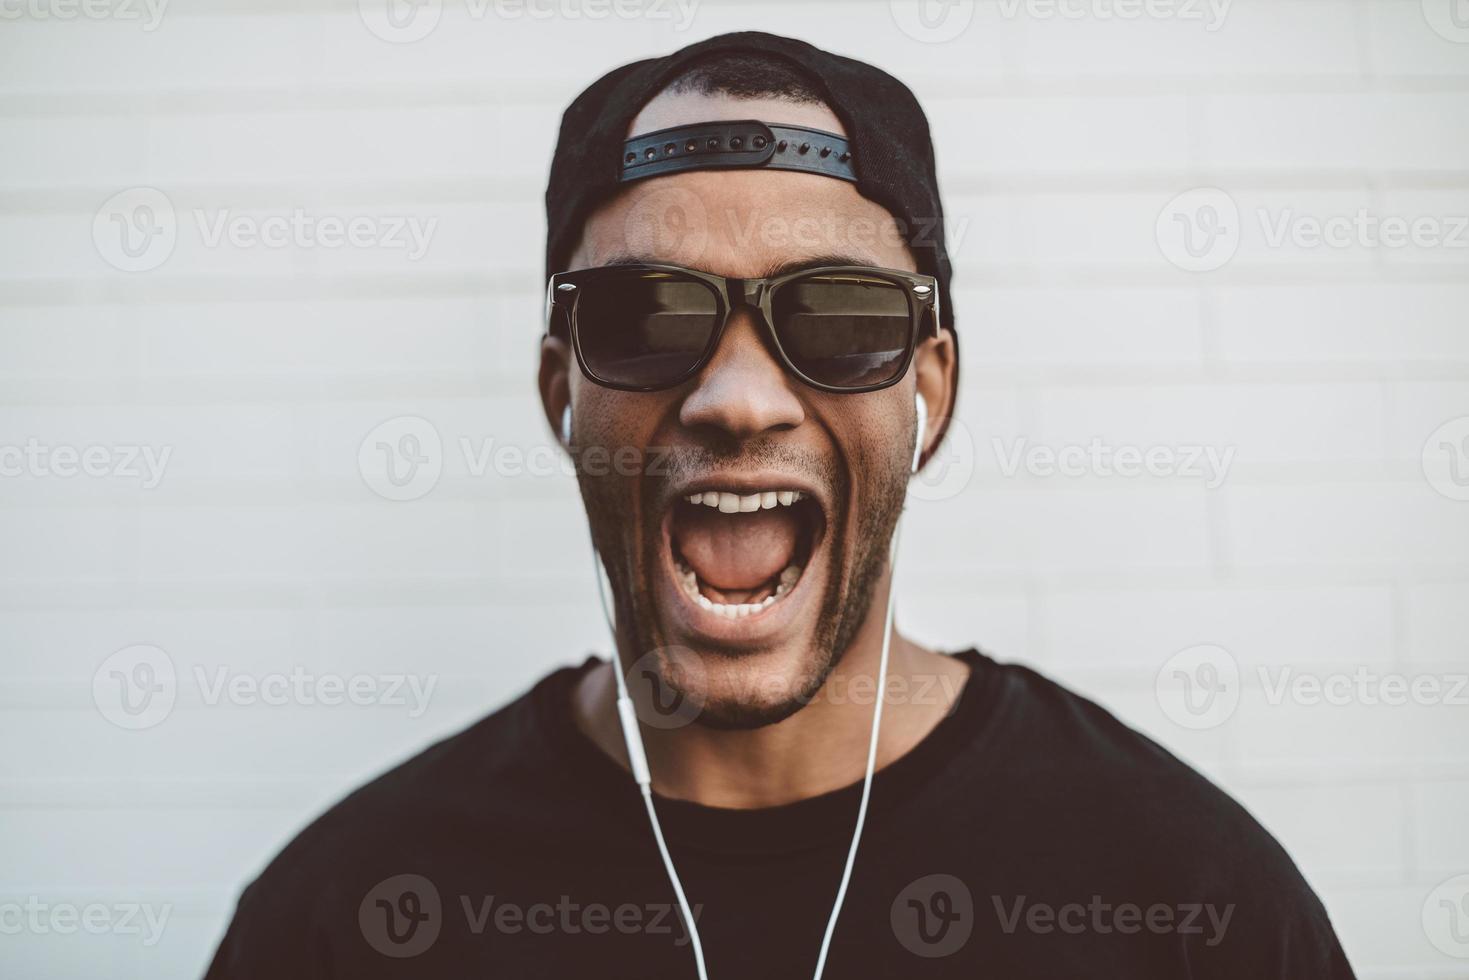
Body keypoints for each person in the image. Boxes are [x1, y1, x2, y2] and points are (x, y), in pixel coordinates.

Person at [204, 31, 1356, 979]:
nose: (738, 397)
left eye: (840, 317)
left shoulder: (1191, 908)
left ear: (929, 390)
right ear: (561, 387)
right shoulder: (344, 918)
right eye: (646, 313)